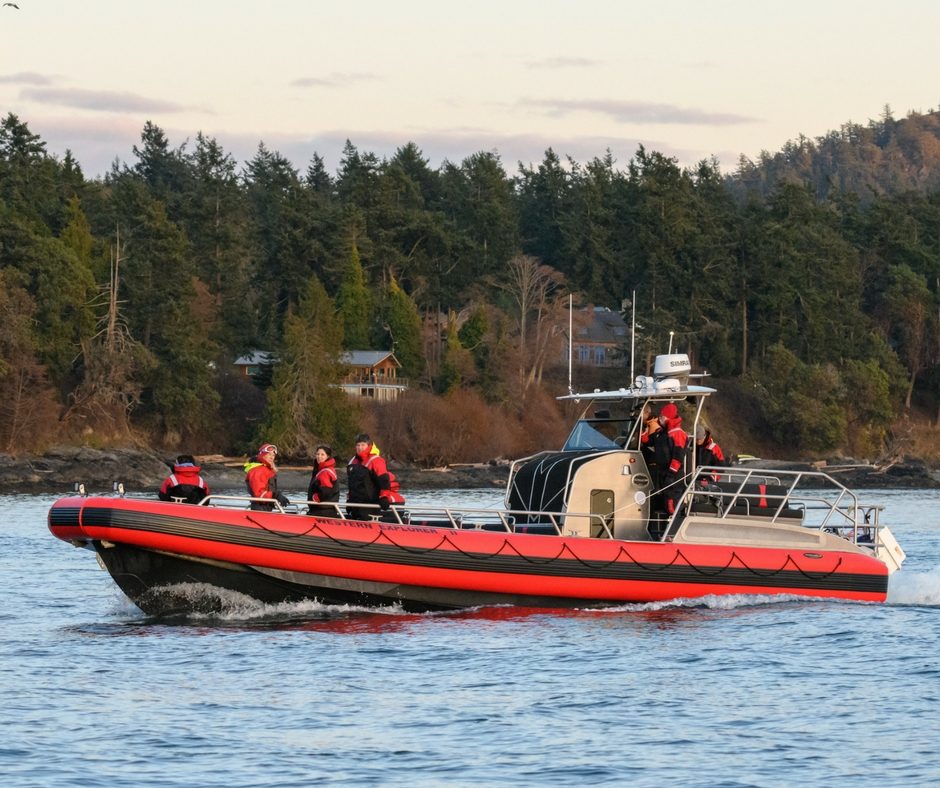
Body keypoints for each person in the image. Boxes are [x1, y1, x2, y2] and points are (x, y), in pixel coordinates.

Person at [346, 433, 393, 521]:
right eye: (358, 445)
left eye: (363, 445)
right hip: (355, 504)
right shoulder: (352, 462)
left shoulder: (376, 460)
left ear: (369, 445)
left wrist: (384, 497)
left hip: (369, 504)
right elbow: (351, 484)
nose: (360, 447)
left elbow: (384, 481)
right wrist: (349, 500)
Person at [658, 402, 689, 516]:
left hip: (674, 475)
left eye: (662, 416)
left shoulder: (677, 433)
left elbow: (678, 456)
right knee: (666, 501)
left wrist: (671, 474)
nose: (660, 418)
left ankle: (679, 515)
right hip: (665, 473)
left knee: (672, 505)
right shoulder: (664, 432)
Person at [244, 443, 289, 511]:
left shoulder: (266, 469)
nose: (272, 457)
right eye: (269, 454)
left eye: (273, 455)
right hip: (260, 508)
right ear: (263, 455)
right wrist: (275, 495)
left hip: (266, 508)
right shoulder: (258, 470)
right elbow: (258, 493)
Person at [307, 444, 340, 517]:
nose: (319, 456)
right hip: (321, 509)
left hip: (323, 511)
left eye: (322, 454)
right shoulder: (321, 470)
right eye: (318, 454)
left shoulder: (325, 471)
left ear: (327, 456)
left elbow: (325, 491)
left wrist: (315, 498)